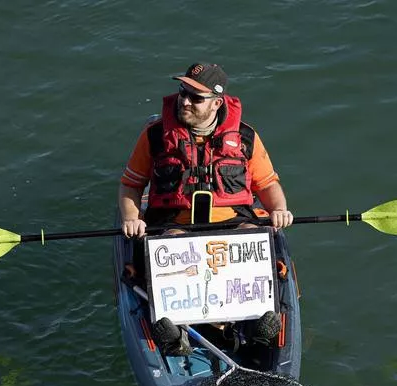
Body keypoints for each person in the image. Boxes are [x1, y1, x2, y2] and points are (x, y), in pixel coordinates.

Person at [118, 62, 293, 355]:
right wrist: (131, 218)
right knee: (168, 248)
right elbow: (130, 185)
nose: (184, 101)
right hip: (173, 223)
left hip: (232, 221)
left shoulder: (246, 138)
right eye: (183, 92)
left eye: (196, 98)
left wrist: (279, 210)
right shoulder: (154, 136)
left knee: (254, 237)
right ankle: (174, 336)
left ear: (216, 103)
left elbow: (268, 184)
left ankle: (255, 326)